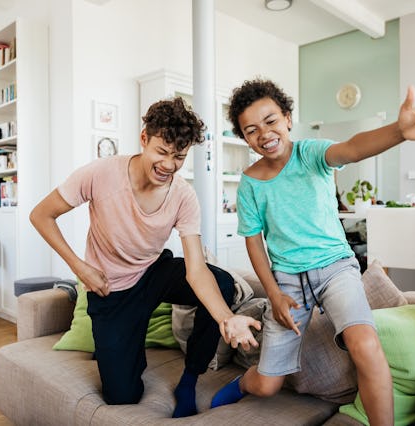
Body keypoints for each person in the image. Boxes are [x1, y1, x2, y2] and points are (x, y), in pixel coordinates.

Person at [210, 79, 415, 425]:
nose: (263, 133)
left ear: (288, 118)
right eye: (251, 130)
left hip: (335, 268)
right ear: (244, 138)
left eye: (270, 121)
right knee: (266, 385)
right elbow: (254, 240)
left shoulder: (311, 154)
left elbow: (353, 148)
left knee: (366, 346)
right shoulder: (250, 183)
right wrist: (275, 294)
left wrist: (399, 131)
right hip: (288, 283)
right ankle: (242, 383)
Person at [30, 97, 261, 418]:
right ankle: (126, 347)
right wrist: (79, 267)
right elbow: (41, 215)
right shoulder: (99, 174)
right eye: (162, 152)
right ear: (144, 139)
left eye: (179, 157)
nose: (169, 165)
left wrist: (226, 318)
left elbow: (195, 269)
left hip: (154, 273)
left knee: (221, 281)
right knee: (122, 394)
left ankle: (190, 377)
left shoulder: (183, 196)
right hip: (111, 291)